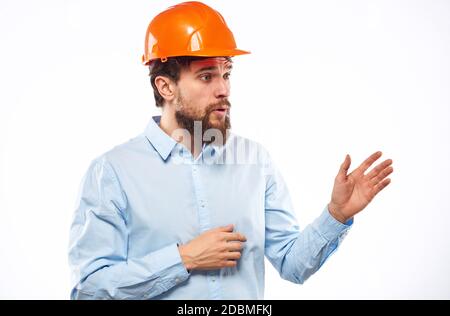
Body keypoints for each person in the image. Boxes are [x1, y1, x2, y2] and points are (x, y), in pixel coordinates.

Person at [68, 1, 393, 300]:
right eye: (206, 76)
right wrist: (184, 259)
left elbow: (292, 265)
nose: (223, 89)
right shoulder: (113, 172)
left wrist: (336, 215)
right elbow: (90, 288)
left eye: (226, 73)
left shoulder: (255, 161)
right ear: (165, 86)